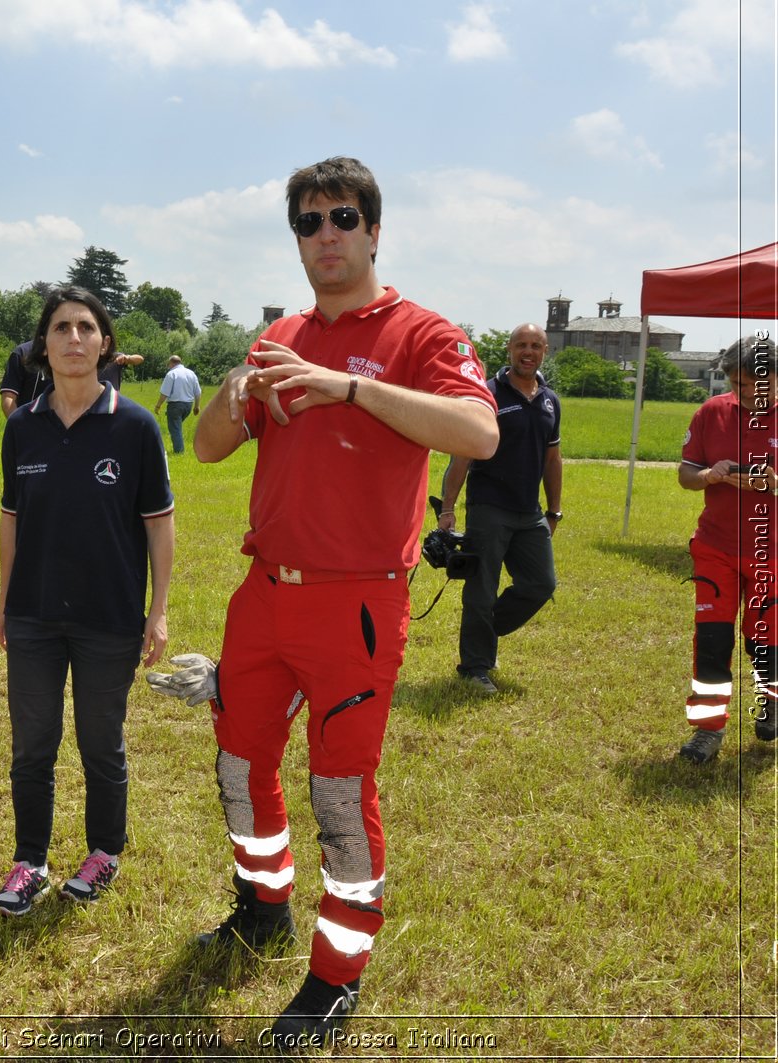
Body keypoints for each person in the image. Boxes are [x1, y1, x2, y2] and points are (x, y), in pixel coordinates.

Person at [186, 156, 497, 1050]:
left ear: (372, 228)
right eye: (309, 221)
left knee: (337, 788)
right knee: (240, 765)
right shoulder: (279, 331)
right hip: (263, 592)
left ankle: (335, 974)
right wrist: (235, 390)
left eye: (342, 217)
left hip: (359, 602)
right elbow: (209, 448)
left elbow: (479, 430)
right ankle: (262, 906)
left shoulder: (421, 331)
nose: (326, 234)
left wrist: (349, 387)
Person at [0, 287, 174, 915]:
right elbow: (11, 518)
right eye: (61, 328)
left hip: (110, 617)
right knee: (32, 745)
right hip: (35, 615)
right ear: (42, 345)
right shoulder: (23, 427)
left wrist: (160, 611)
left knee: (101, 743)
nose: (73, 338)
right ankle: (29, 861)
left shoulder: (136, 426)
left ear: (105, 343)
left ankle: (104, 854)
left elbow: (158, 522)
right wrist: (5, 600)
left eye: (86, 328)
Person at [436, 323, 562, 692]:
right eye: (521, 344)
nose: (529, 351)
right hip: (489, 507)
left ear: (545, 351)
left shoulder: (550, 399)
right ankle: (475, 667)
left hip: (530, 511)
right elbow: (460, 456)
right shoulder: (487, 395)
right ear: (509, 350)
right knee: (481, 588)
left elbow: (552, 459)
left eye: (536, 345)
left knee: (541, 584)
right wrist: (448, 509)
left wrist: (553, 510)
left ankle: (485, 628)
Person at [675, 333, 778, 763]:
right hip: (715, 548)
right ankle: (707, 730)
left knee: (765, 640)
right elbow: (685, 473)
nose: (751, 393)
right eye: (740, 385)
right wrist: (709, 476)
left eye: (761, 384)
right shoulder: (711, 413)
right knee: (712, 642)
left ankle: (769, 705)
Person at [0, 339, 143, 416]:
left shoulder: (81, 353)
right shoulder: (23, 352)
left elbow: (139, 359)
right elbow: (8, 398)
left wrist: (127, 358)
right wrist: (20, 427)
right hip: (33, 427)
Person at [153, 353, 203, 454]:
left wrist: (158, 406)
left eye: (168, 364)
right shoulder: (191, 373)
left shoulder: (172, 374)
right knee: (177, 427)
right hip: (188, 406)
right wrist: (197, 406)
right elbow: (198, 392)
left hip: (175, 405)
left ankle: (179, 452)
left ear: (171, 363)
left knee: (175, 428)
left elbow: (164, 393)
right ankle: (179, 449)